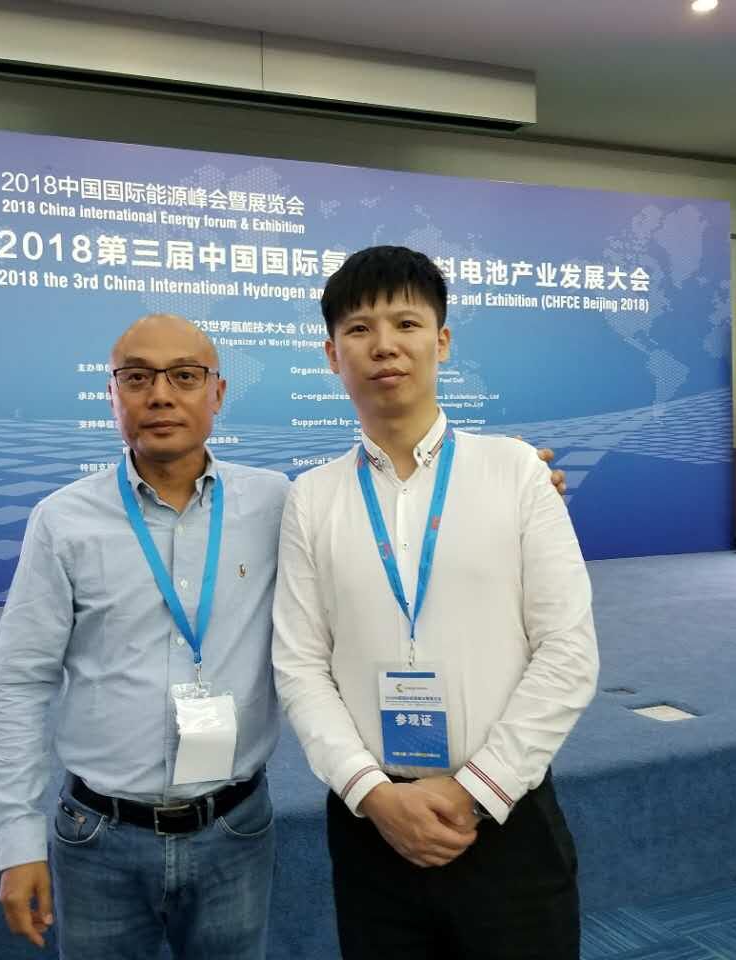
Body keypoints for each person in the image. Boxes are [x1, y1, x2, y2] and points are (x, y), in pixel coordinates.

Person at [0, 310, 568, 959]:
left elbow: (389, 502)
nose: (161, 395)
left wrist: (515, 479)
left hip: (233, 830)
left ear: (218, 392)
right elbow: (20, 681)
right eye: (138, 378)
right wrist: (16, 840)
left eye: (184, 376)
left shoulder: (277, 502)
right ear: (111, 393)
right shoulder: (62, 522)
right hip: (100, 836)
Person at [272, 246, 599, 960]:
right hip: (372, 826)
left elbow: (568, 651)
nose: (384, 345)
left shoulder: (515, 472)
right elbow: (299, 665)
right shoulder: (312, 498)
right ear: (331, 355)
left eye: (406, 323)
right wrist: (373, 794)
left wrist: (474, 790)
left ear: (441, 341)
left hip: (505, 819)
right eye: (359, 329)